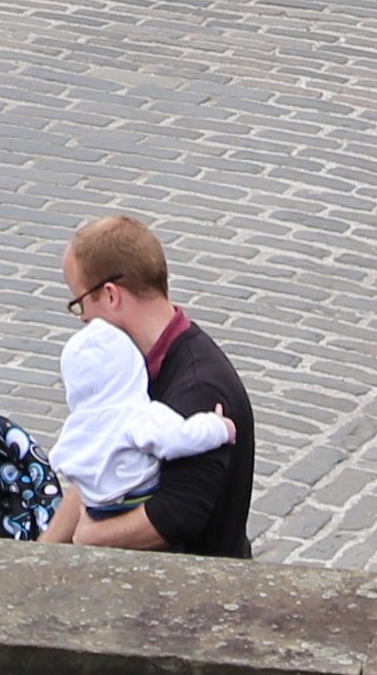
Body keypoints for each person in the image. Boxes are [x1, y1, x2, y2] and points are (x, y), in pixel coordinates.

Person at [44, 214, 255, 556]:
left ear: (110, 295)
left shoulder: (198, 388)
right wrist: (41, 554)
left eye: (80, 302)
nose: (82, 317)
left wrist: (89, 537)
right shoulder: (128, 367)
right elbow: (99, 465)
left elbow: (176, 516)